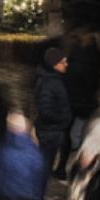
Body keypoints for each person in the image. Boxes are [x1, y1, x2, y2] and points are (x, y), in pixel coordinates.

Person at [35, 48, 75, 177]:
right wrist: (63, 119)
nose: (66, 64)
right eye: (63, 62)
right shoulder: (50, 83)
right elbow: (45, 110)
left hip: (53, 129)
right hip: (50, 131)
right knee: (44, 166)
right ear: (54, 64)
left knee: (46, 164)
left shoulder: (55, 79)